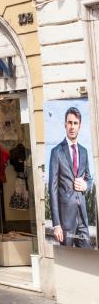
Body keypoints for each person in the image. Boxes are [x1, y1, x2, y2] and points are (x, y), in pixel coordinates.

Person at [49, 106, 94, 248]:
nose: (72, 127)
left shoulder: (84, 151)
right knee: (66, 261)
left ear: (79, 126)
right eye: (69, 123)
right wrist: (56, 224)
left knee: (87, 258)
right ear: (64, 124)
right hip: (65, 220)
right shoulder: (56, 152)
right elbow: (52, 188)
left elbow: (89, 178)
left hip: (82, 218)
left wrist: (86, 185)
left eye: (75, 123)